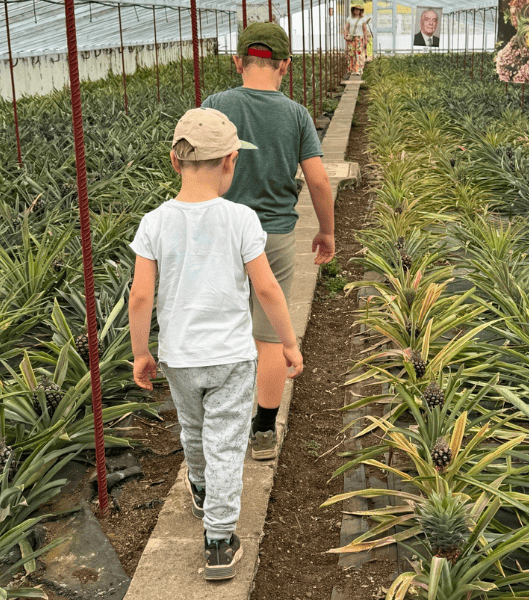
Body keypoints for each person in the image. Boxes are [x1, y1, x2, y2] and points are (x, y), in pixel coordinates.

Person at [129, 107, 304, 580]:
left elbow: (142, 294)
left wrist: (141, 353)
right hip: (230, 356)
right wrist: (288, 342)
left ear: (174, 161)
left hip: (180, 358)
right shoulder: (241, 219)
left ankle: (203, 490)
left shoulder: (154, 223)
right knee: (227, 443)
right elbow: (266, 288)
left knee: (193, 430)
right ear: (231, 161)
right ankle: (220, 540)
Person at [200, 23, 334, 462]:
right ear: (286, 66)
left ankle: (221, 423)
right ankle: (262, 431)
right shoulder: (295, 114)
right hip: (273, 235)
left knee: (221, 329)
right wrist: (326, 232)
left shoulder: (217, 106)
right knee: (271, 335)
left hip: (221, 231)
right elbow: (317, 179)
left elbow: (194, 167)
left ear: (238, 62)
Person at [344, 1, 370, 76]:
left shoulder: (363, 19)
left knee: (358, 53)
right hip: (351, 37)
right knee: (351, 54)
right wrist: (345, 36)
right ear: (353, 11)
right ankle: (352, 70)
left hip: (359, 38)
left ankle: (358, 70)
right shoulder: (349, 18)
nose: (357, 11)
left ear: (360, 11)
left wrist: (365, 39)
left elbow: (364, 30)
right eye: (355, 10)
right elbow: (346, 28)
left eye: (358, 10)